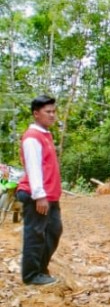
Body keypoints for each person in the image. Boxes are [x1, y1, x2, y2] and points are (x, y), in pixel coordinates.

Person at [17, 95, 62, 286]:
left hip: (49, 195)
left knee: (54, 231)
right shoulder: (32, 137)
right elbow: (34, 167)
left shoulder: (45, 134)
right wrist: (39, 195)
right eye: (48, 112)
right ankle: (31, 275)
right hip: (38, 195)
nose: (52, 115)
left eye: (54, 111)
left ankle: (41, 270)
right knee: (35, 234)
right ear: (36, 114)